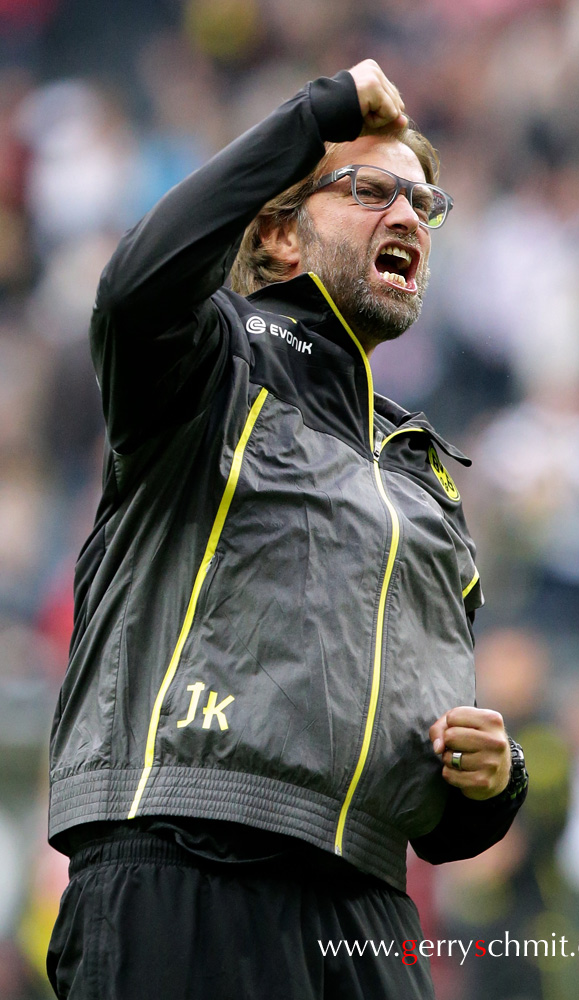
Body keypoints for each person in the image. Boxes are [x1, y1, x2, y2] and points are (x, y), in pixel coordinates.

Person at [47, 60, 528, 1000]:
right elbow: (133, 289)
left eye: (422, 203)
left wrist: (488, 781)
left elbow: (429, 783)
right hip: (182, 860)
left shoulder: (425, 469)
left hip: (369, 910)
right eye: (370, 190)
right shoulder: (209, 362)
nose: (406, 217)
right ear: (275, 235)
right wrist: (318, 115)